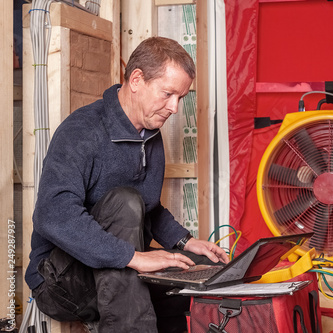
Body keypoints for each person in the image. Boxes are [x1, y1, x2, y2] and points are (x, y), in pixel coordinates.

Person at [25, 36, 229, 333]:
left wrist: (186, 242)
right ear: (136, 80)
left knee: (203, 271)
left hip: (116, 270)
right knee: (124, 201)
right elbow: (53, 214)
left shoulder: (150, 134)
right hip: (59, 282)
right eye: (168, 94)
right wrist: (134, 258)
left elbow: (149, 207)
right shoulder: (81, 131)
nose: (174, 107)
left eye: (181, 98)